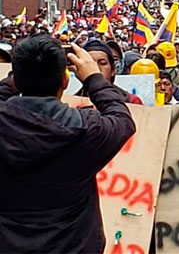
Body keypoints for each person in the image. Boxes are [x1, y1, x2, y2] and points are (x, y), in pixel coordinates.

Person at [0, 35, 135, 253]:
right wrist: (93, 77)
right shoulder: (87, 131)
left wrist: (22, 74)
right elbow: (122, 119)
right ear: (65, 80)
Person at [79, 40, 143, 105]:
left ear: (113, 70)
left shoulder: (131, 101)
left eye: (102, 63)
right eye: (90, 64)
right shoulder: (71, 102)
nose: (96, 68)